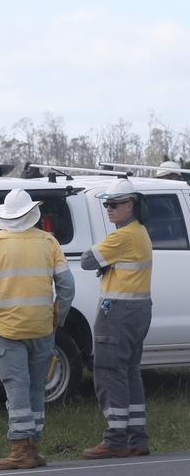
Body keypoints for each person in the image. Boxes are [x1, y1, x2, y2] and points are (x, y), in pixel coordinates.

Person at [0, 189, 76, 470]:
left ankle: (20, 450)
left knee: (16, 388)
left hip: (7, 330)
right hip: (43, 328)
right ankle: (33, 446)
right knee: (36, 388)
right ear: (32, 214)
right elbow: (67, 287)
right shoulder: (49, 242)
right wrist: (57, 317)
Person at [80, 179, 153, 459]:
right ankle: (137, 438)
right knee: (129, 372)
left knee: (109, 372)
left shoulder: (122, 237)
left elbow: (88, 261)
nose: (109, 209)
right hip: (139, 310)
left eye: (114, 204)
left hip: (118, 312)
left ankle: (115, 439)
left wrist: (103, 257)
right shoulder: (141, 232)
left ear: (130, 205)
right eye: (107, 204)